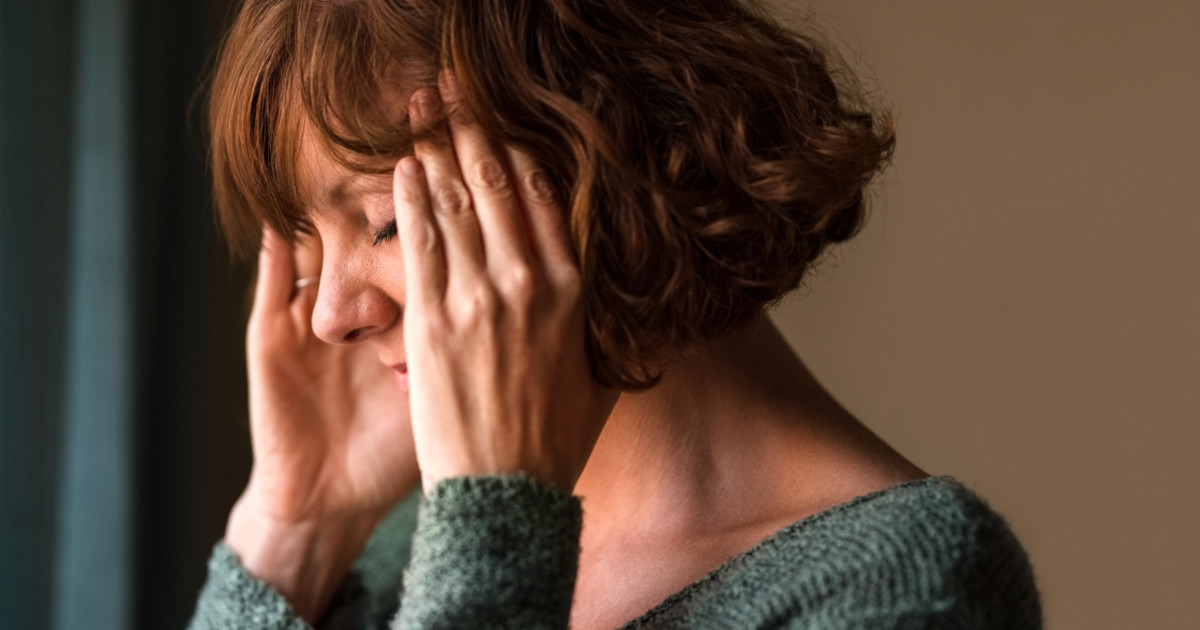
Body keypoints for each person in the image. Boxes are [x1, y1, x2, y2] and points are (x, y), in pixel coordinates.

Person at [190, 0, 1041, 628]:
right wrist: (293, 530)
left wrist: (492, 529)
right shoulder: (401, 550)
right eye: (308, 244)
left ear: (602, 155)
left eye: (382, 220)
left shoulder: (902, 586)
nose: (328, 313)